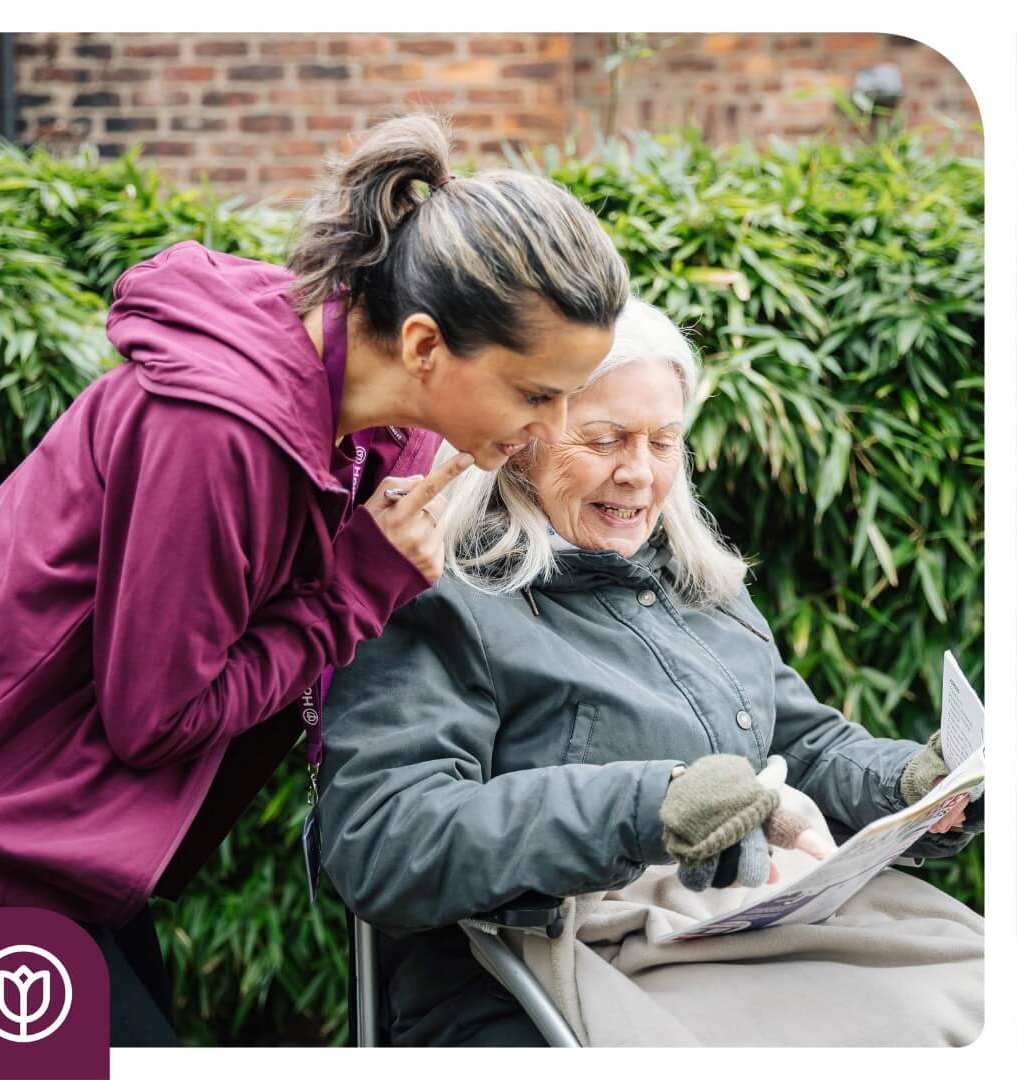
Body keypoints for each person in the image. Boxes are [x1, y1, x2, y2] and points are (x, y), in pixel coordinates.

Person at [0, 113, 629, 1045]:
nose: (554, 427)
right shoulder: (219, 431)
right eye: (534, 395)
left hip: (56, 845)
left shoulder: (374, 428)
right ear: (425, 345)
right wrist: (362, 583)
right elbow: (155, 719)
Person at [317, 296, 984, 1047]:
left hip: (740, 929)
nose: (639, 473)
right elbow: (385, 839)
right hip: (540, 969)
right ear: (518, 439)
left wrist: (915, 785)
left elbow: (802, 748)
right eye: (603, 439)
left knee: (975, 994)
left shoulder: (698, 588)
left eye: (664, 441)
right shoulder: (441, 595)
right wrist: (647, 806)